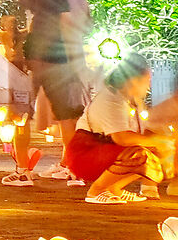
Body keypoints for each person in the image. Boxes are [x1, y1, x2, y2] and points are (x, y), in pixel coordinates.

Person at [4, 0, 80, 186]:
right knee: (65, 115)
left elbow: (10, 25)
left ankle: (23, 170)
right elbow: (67, 24)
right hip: (57, 59)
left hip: (29, 59)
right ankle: (72, 168)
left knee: (19, 114)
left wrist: (13, 50)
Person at [68, 60, 158, 204]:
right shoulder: (111, 98)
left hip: (106, 150)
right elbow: (121, 137)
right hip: (86, 152)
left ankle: (112, 188)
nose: (149, 86)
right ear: (133, 79)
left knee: (156, 152)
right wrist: (157, 141)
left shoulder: (133, 101)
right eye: (147, 80)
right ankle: (96, 191)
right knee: (140, 154)